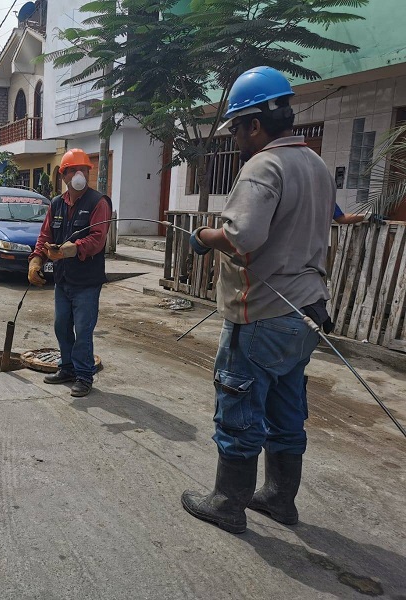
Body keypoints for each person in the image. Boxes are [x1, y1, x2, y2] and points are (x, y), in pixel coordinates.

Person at [180, 67, 336, 534]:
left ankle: (228, 503)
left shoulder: (264, 166)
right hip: (306, 314)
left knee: (239, 407)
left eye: (235, 128)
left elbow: (241, 237)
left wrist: (204, 236)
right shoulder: (316, 164)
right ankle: (280, 499)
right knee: (286, 410)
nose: (234, 137)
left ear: (254, 124)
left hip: (262, 312)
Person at [27, 148, 111, 398]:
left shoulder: (98, 202)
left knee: (83, 330)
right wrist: (36, 260)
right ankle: (67, 368)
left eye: (82, 170)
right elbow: (45, 235)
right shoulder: (56, 204)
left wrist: (70, 250)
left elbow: (97, 240)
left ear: (88, 173)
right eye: (72, 171)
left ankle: (84, 376)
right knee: (62, 326)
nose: (78, 175)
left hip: (87, 281)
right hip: (63, 279)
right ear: (63, 175)